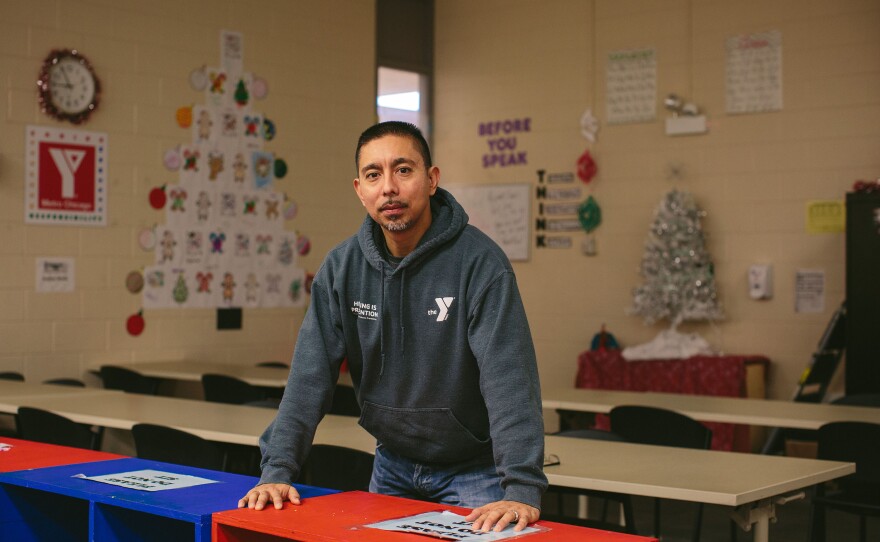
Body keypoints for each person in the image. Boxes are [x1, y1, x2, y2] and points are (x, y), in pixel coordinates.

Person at [238, 121, 546, 532]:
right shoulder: (341, 268)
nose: (389, 187)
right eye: (374, 174)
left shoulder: (480, 265)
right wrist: (276, 470)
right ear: (359, 190)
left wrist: (521, 488)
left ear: (432, 180)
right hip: (391, 464)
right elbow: (309, 377)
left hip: (475, 472)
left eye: (404, 170)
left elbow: (509, 380)